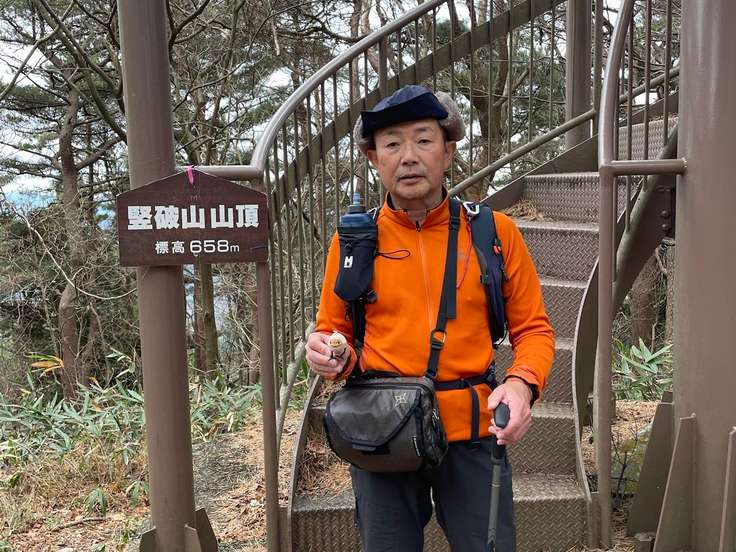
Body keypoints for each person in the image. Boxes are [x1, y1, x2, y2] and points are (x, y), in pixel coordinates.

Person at [305, 84, 554, 552]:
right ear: (374, 158)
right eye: (392, 144)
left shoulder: (493, 232)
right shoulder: (353, 241)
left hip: (474, 429)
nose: (408, 157)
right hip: (382, 430)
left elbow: (534, 329)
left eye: (423, 140)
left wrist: (522, 384)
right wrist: (328, 353)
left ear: (448, 151)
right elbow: (333, 332)